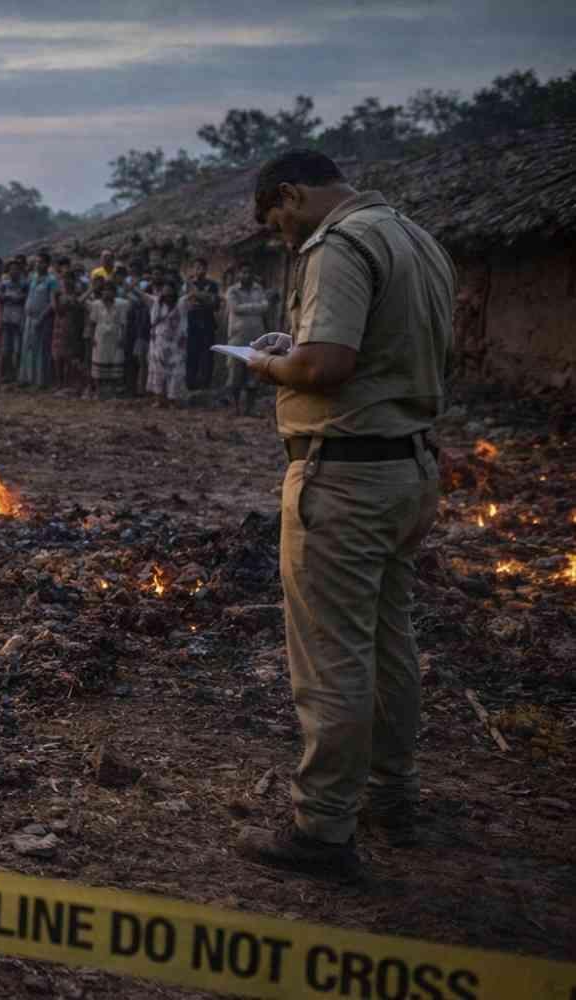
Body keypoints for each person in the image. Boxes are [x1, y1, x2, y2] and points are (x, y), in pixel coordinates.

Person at [237, 149, 455, 880]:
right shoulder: (414, 239)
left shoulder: (338, 246)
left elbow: (327, 366)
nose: (283, 238)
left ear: (293, 196)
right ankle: (394, 795)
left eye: (278, 223)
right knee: (391, 638)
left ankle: (323, 828)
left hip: (347, 479)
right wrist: (294, 351)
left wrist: (269, 364)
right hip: (410, 469)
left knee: (333, 654)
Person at [224, 263, 271, 416]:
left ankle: (250, 409)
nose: (246, 275)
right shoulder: (232, 291)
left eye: (249, 272)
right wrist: (256, 307)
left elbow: (266, 306)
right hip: (237, 337)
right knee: (235, 374)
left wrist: (248, 307)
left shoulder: (259, 289)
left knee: (254, 373)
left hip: (257, 337)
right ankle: (235, 408)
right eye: (243, 272)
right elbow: (235, 308)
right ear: (238, 274)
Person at [21, 252, 60, 388]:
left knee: (42, 349)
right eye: (36, 262)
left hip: (43, 319)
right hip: (29, 317)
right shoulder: (33, 277)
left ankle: (41, 380)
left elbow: (52, 303)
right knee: (28, 347)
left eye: (41, 262)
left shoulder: (52, 280)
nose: (38, 265)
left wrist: (41, 317)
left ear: (47, 264)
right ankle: (27, 378)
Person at [146, 281, 189, 405]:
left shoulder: (181, 303)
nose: (168, 296)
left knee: (177, 372)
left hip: (177, 343)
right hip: (159, 342)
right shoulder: (156, 303)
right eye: (165, 293)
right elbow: (140, 294)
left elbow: (193, 294)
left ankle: (173, 400)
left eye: (170, 293)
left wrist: (190, 281)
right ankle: (159, 399)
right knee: (158, 371)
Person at [86, 279, 129, 399]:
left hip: (116, 336)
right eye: (105, 290)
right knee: (99, 362)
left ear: (114, 293)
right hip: (100, 336)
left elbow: (124, 324)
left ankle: (114, 392)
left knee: (115, 362)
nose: (107, 293)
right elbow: (92, 322)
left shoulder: (121, 305)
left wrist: (123, 338)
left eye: (110, 291)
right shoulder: (96, 304)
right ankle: (98, 392)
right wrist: (91, 336)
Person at [184, 257, 220, 390]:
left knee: (207, 356)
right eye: (196, 267)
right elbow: (187, 303)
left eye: (202, 267)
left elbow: (215, 304)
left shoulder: (212, 285)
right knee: (191, 355)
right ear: (193, 269)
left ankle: (205, 385)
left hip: (207, 324)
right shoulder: (187, 285)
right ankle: (190, 384)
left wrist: (199, 297)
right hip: (191, 324)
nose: (199, 270)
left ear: (206, 269)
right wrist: (205, 298)